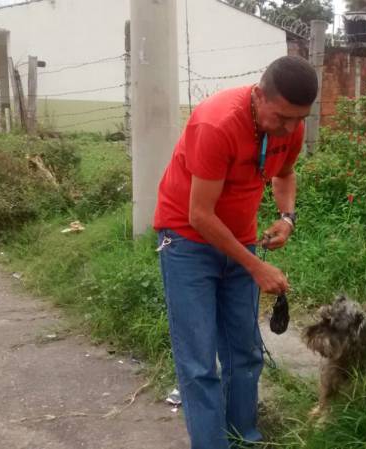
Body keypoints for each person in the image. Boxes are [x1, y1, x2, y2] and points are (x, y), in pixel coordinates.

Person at [154, 55, 318, 449]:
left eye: (300, 119)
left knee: (244, 352)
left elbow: (284, 172)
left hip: (240, 240)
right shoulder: (217, 123)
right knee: (198, 363)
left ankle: (244, 437)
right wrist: (256, 266)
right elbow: (199, 214)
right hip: (187, 241)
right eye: (282, 118)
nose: (290, 129)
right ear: (259, 96)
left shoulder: (288, 125)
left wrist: (287, 217)